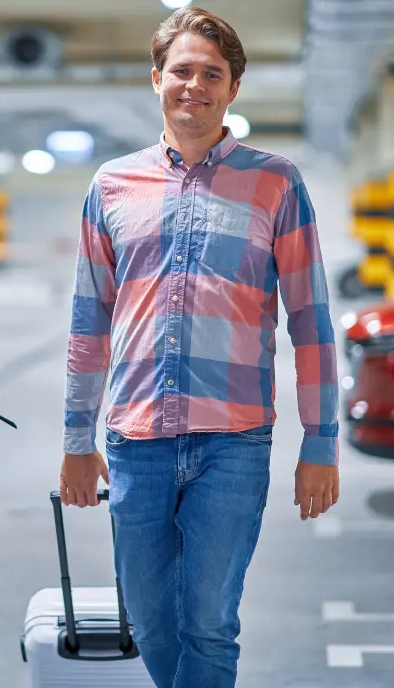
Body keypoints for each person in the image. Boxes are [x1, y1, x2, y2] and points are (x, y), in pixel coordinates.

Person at [60, 7, 339, 687]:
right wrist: (75, 439)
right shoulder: (112, 186)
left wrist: (320, 445)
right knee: (153, 622)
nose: (195, 84)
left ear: (232, 89)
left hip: (233, 442)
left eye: (212, 73)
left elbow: (312, 321)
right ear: (157, 78)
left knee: (209, 623)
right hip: (136, 440)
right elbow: (87, 323)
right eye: (182, 70)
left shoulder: (277, 182)